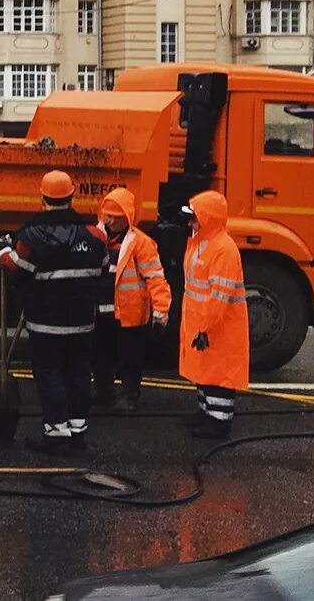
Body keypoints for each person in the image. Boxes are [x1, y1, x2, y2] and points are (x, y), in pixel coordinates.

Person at [0, 171, 110, 456]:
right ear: (72, 196)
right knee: (79, 373)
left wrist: (2, 250)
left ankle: (56, 433)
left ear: (42, 197)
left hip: (46, 323)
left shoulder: (31, 237)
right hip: (83, 322)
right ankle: (77, 431)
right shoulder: (94, 235)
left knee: (50, 374)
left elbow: (17, 271)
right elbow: (102, 270)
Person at [94, 187, 172, 412]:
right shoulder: (96, 238)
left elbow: (155, 278)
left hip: (130, 313)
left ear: (127, 217)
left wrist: (161, 310)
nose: (110, 221)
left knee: (130, 357)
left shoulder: (141, 243)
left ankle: (129, 395)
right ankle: (103, 391)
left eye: (115, 217)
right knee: (100, 353)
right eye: (107, 215)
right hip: (101, 311)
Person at [179, 190, 249, 439]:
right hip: (203, 322)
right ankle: (207, 413)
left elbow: (220, 296)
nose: (190, 223)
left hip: (218, 325)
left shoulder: (223, 249)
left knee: (219, 372)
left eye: (194, 218)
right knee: (205, 368)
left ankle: (219, 423)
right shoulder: (202, 243)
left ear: (208, 218)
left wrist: (205, 327)